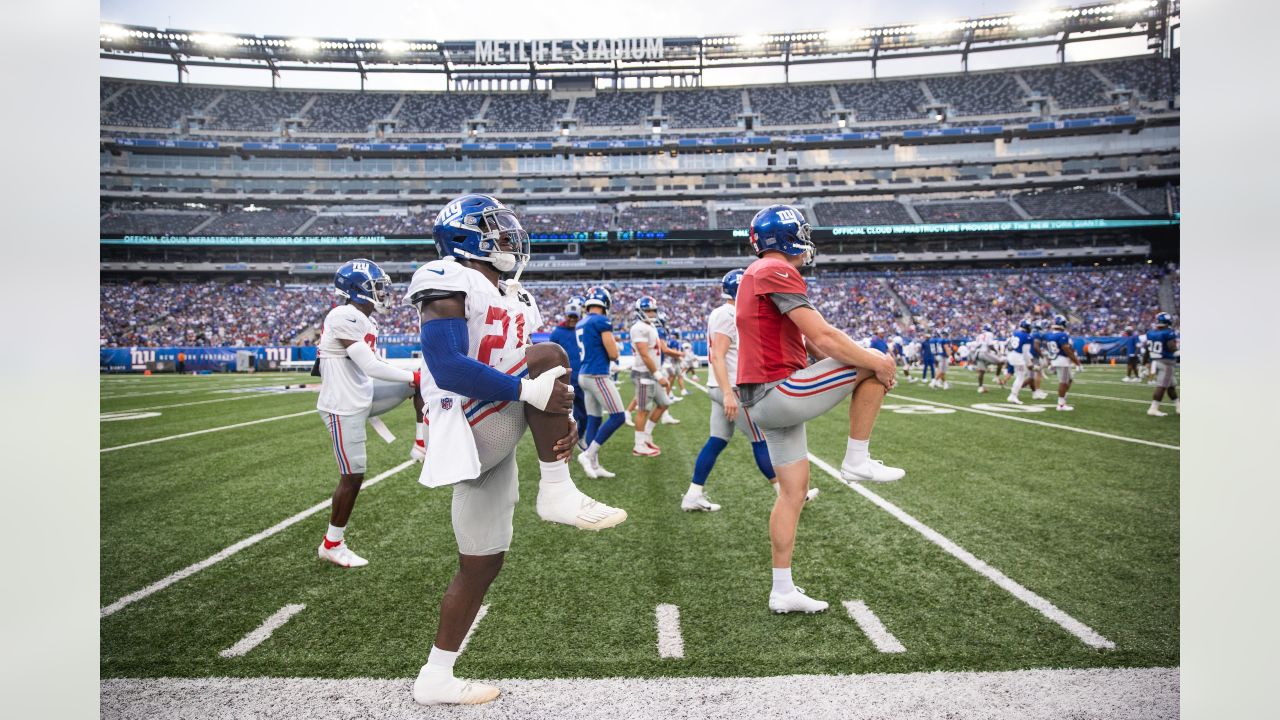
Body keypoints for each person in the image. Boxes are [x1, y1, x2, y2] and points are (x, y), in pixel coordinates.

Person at [407, 195, 626, 706]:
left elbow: (528, 368)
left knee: (481, 563)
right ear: (465, 236)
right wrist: (531, 393)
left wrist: (559, 414)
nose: (507, 238)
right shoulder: (446, 275)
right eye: (495, 229)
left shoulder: (517, 294)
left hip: (497, 422)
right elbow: (446, 365)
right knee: (549, 355)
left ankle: (435, 676)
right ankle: (556, 491)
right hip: (471, 422)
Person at [736, 205, 903, 615]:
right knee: (872, 361)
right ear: (788, 237)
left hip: (762, 397)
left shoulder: (754, 275)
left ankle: (783, 590)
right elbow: (824, 337)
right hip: (778, 391)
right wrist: (877, 361)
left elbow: (805, 341)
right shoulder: (774, 270)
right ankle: (857, 460)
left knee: (792, 494)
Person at [315, 258, 421, 569]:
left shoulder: (365, 319)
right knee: (353, 476)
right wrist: (413, 376)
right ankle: (332, 544)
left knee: (422, 381)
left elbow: (372, 371)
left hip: (363, 396)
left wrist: (415, 378)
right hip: (342, 406)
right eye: (377, 287)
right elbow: (370, 366)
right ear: (357, 289)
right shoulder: (343, 315)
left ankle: (422, 446)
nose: (384, 293)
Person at [687, 269, 818, 513]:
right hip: (732, 388)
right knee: (760, 439)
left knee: (717, 440)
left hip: (721, 386)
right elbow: (718, 355)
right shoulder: (728, 313)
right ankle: (787, 494)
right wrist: (728, 393)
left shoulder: (723, 312)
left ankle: (693, 494)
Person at [575, 286, 626, 479]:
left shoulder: (583, 322)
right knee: (618, 416)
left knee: (594, 418)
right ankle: (588, 455)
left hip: (584, 374)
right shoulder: (602, 321)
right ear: (605, 303)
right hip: (597, 374)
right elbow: (613, 353)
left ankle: (594, 465)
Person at [629, 296, 673, 456]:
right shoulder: (639, 327)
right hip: (643, 374)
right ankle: (638, 445)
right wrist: (658, 374)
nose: (651, 313)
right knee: (643, 410)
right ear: (640, 312)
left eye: (653, 310)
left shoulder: (650, 326)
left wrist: (658, 373)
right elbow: (644, 354)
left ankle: (646, 436)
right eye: (648, 310)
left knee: (664, 403)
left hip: (653, 373)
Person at [548, 295, 589, 447]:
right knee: (564, 417)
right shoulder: (557, 332)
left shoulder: (585, 329)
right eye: (570, 316)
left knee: (585, 415)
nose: (572, 319)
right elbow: (551, 356)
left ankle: (581, 437)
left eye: (575, 317)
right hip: (566, 381)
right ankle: (562, 444)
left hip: (584, 379)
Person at [1041, 315, 1083, 411]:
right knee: (1063, 382)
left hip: (1056, 359)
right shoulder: (1062, 335)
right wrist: (1077, 362)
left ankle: (1063, 398)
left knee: (1069, 380)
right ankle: (1061, 405)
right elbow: (1066, 349)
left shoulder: (1050, 335)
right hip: (1062, 361)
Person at [1145, 312, 1180, 417]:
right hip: (1166, 362)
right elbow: (1171, 348)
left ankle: (1178, 406)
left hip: (1155, 361)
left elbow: (1148, 349)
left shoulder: (1150, 332)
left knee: (1171, 385)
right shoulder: (1168, 332)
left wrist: (1145, 362)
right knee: (1162, 386)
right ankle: (1153, 408)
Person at [1005, 319, 1034, 405]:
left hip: (1011, 355)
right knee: (1020, 377)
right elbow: (1025, 352)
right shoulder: (1027, 337)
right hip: (1018, 357)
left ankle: (1013, 395)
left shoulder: (1016, 333)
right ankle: (1013, 396)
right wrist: (1029, 363)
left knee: (1019, 376)